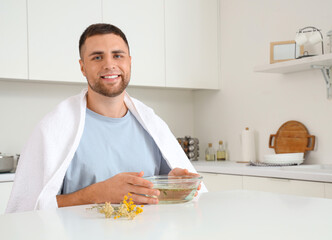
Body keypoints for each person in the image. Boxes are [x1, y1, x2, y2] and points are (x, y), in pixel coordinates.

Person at [6, 23, 206, 213]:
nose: (110, 65)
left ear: (129, 61)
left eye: (117, 55)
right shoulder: (53, 130)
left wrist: (175, 189)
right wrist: (94, 194)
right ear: (82, 67)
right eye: (97, 57)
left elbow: (157, 196)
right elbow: (28, 210)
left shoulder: (152, 126)